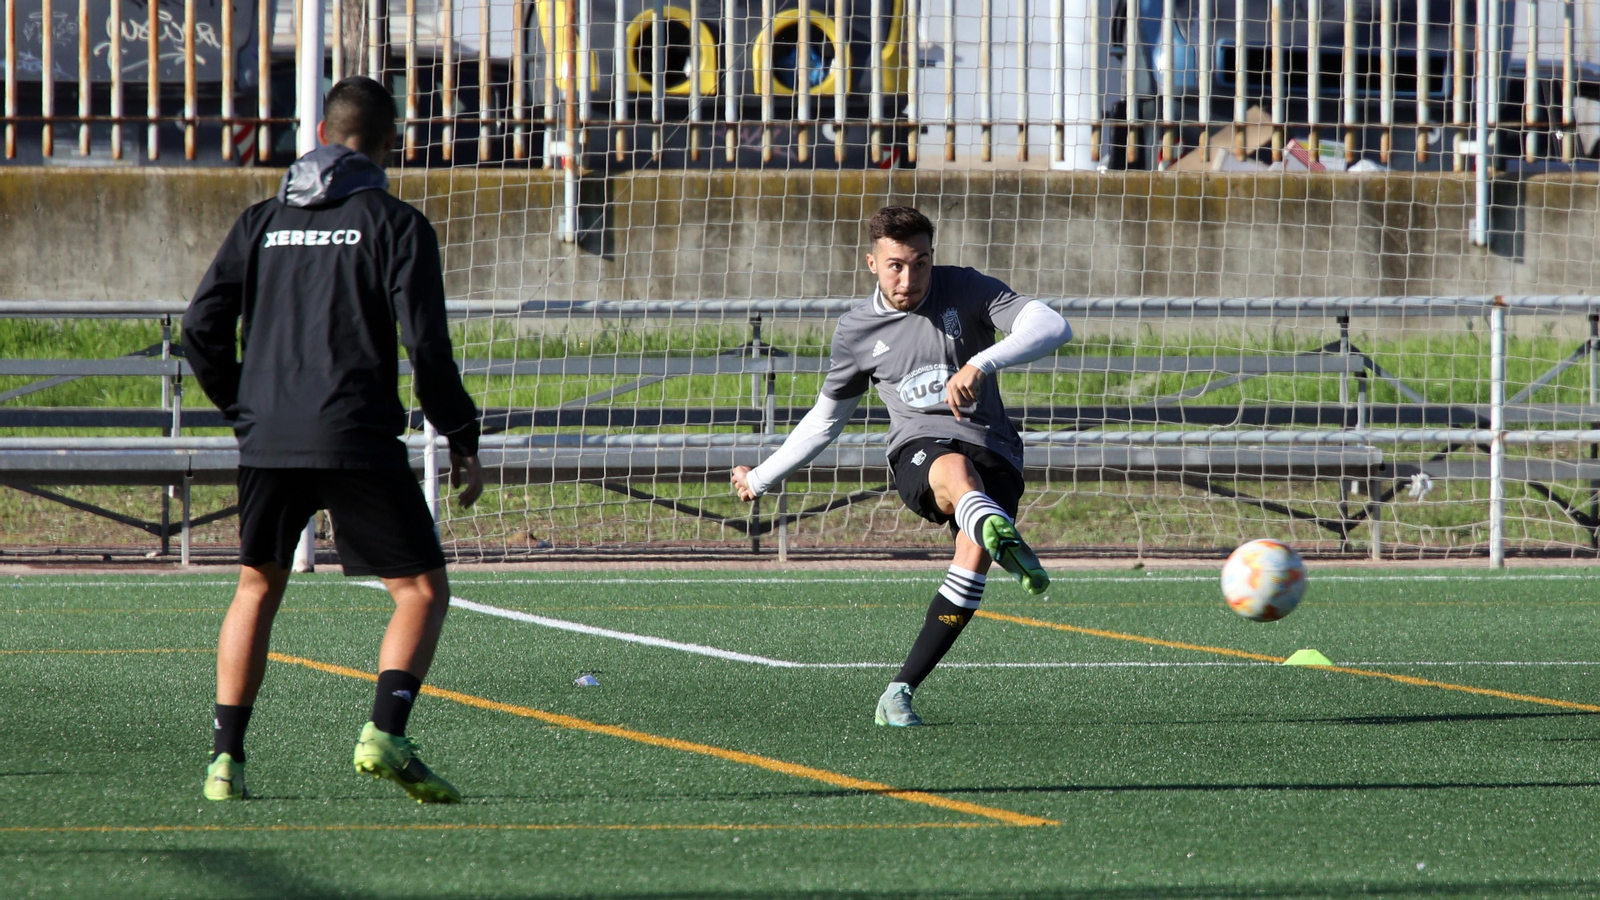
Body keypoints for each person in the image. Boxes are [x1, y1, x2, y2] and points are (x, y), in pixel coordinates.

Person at [183, 76, 483, 802]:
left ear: (319, 132)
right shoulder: (396, 224)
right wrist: (462, 434)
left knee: (257, 586)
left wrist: (243, 406)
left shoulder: (261, 220)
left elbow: (199, 327)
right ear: (391, 142)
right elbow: (426, 346)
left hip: (269, 438)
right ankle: (385, 733)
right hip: (355, 434)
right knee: (420, 590)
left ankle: (225, 762)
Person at [731, 206, 1071, 727]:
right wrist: (761, 477)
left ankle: (898, 692)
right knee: (955, 470)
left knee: (970, 560)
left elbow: (1053, 325)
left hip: (995, 446)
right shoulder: (856, 332)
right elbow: (826, 420)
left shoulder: (966, 288)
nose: (909, 279)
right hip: (919, 449)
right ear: (872, 263)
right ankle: (989, 521)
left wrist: (981, 362)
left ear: (933, 257)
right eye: (895, 266)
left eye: (920, 264)